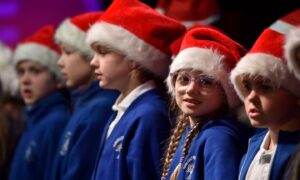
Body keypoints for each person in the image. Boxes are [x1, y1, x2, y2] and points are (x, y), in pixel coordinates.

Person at [87, 0, 185, 179]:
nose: (93, 62)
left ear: (133, 59)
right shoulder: (122, 111)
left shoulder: (150, 114)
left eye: (102, 52)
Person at [161, 26, 250, 180]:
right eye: (184, 79)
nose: (191, 89)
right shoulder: (190, 131)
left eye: (206, 82)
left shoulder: (219, 138)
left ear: (226, 93)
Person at [230, 9, 300, 180]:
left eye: (266, 87)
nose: (251, 97)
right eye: (247, 86)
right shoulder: (255, 143)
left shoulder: (295, 152)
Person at [50, 12, 119, 180]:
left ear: (90, 55)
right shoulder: (84, 103)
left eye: (67, 52)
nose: (60, 62)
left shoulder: (99, 108)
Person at [8, 25, 70, 180]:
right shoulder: (32, 120)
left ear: (58, 79)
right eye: (21, 71)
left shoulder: (56, 122)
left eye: (35, 71)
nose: (25, 80)